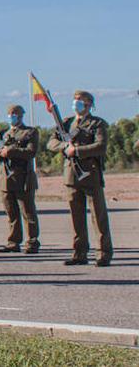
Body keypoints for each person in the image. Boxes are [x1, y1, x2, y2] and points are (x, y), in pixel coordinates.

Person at [46, 90, 112, 267]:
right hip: (71, 176)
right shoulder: (66, 123)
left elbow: (101, 146)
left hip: (90, 174)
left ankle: (103, 253)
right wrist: (64, 146)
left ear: (89, 104)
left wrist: (78, 151)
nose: (77, 104)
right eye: (75, 100)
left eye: (81, 101)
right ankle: (79, 253)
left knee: (98, 217)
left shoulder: (97, 123)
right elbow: (51, 143)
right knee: (76, 216)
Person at [0, 104, 40, 254]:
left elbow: (31, 151)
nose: (12, 116)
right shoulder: (4, 134)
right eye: (10, 113)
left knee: (28, 212)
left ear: (21, 115)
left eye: (14, 114)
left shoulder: (29, 132)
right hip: (6, 179)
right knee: (11, 213)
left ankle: (32, 241)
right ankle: (13, 241)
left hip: (23, 178)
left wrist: (11, 151)